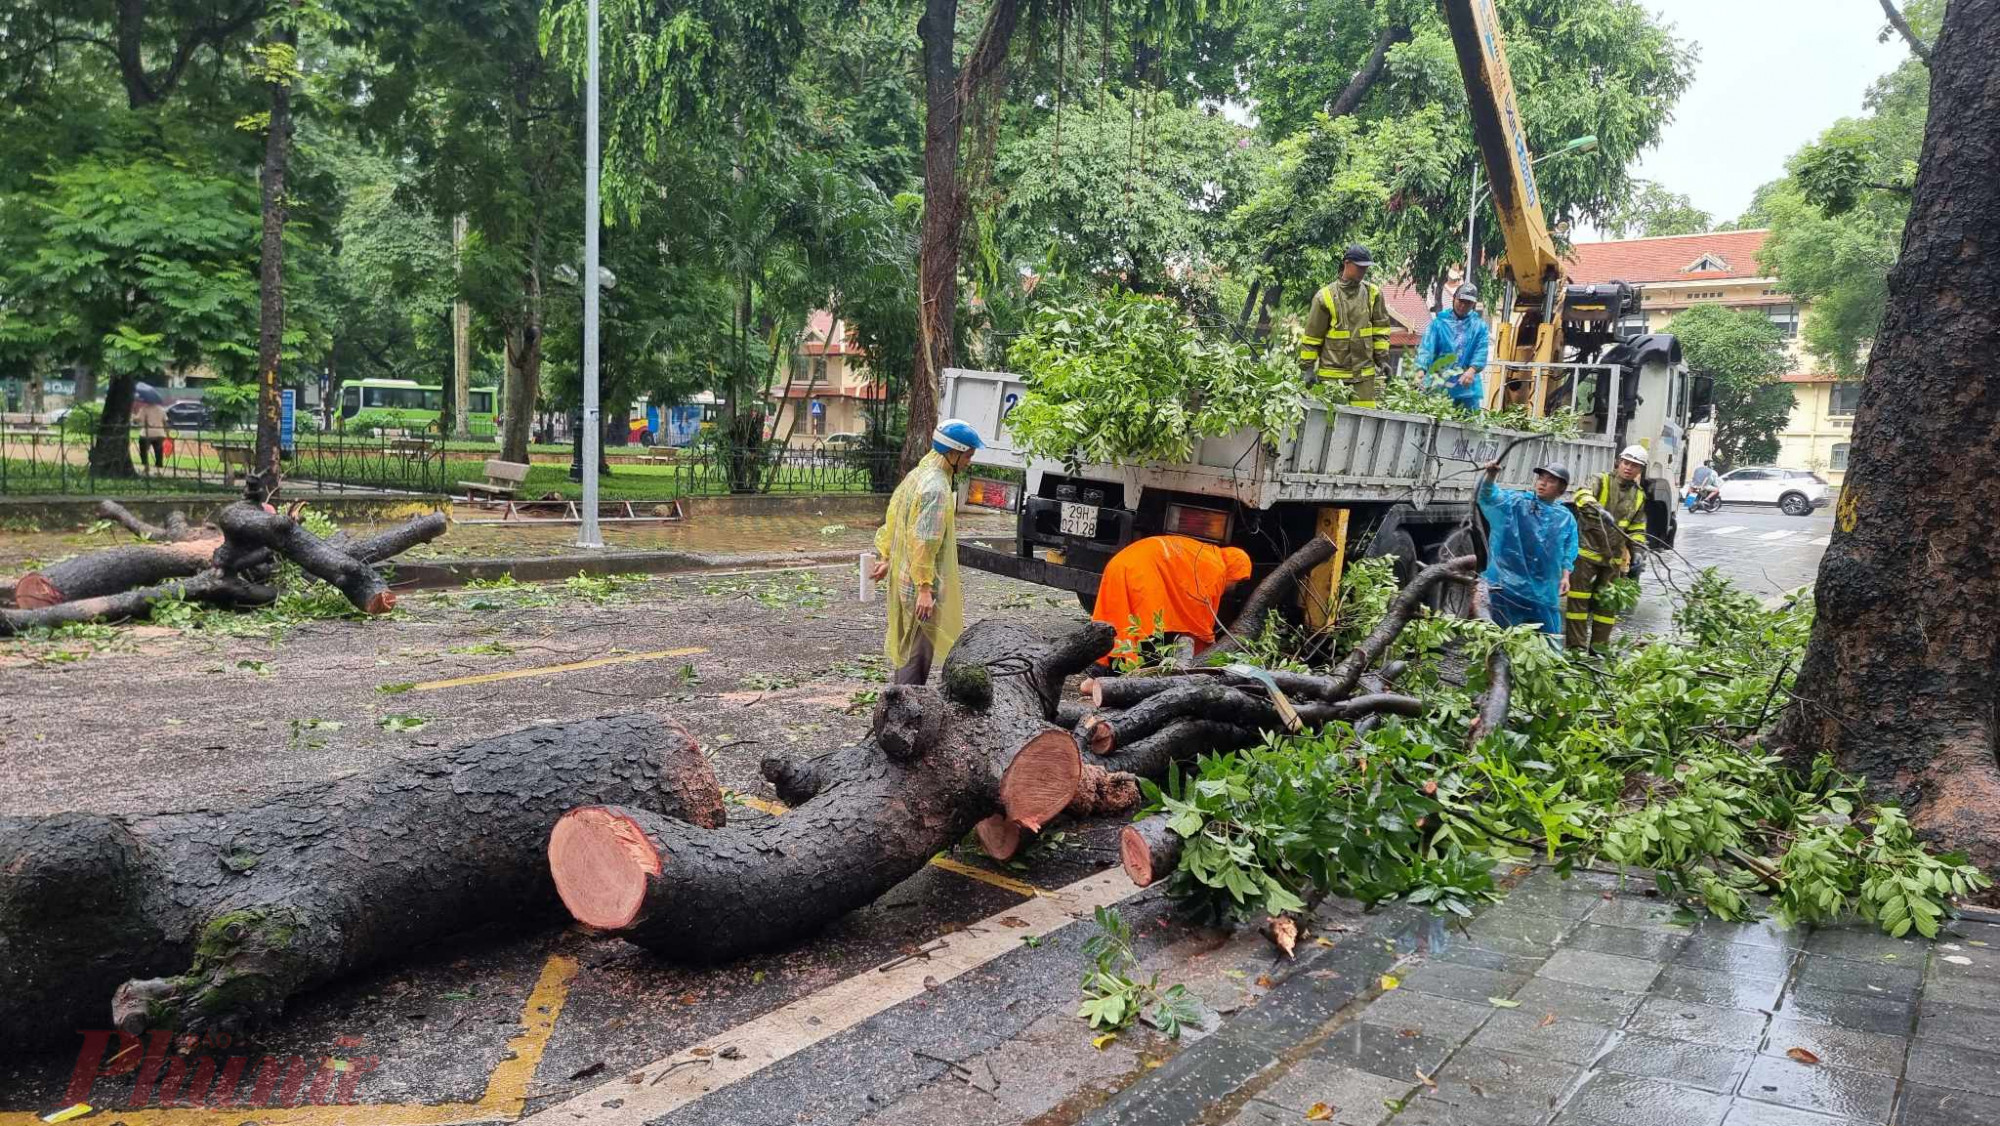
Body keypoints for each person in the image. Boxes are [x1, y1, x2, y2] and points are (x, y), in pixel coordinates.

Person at [869, 419, 982, 685]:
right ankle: (906, 712)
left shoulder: (919, 475)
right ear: (953, 453)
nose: (969, 461)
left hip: (904, 575)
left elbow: (895, 518)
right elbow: (925, 541)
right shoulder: (937, 489)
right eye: (968, 455)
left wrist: (887, 556)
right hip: (919, 584)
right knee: (917, 654)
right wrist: (924, 589)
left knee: (907, 645)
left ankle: (899, 702)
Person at [1091, 535, 1255, 664]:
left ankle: (1099, 673)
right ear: (1235, 570)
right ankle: (1117, 677)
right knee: (1146, 629)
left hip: (1121, 563)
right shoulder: (1217, 569)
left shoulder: (1207, 554)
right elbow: (1199, 619)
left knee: (1117, 622)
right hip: (1142, 570)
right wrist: (1209, 653)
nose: (1234, 587)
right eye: (1238, 581)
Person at [1477, 459, 1578, 639]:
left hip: (1544, 592)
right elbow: (1488, 496)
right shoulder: (1516, 504)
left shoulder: (1565, 518)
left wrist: (1565, 576)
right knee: (1501, 641)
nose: (1543, 483)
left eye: (1551, 480)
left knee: (1549, 643)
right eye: (1541, 478)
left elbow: (1568, 549)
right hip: (1507, 587)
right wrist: (1490, 475)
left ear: (1561, 489)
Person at [1567, 445, 1651, 651]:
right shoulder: (1600, 480)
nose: (1629, 468)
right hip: (1587, 553)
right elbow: (1581, 495)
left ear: (1641, 470)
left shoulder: (1639, 496)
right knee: (1578, 604)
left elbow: (1637, 528)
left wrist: (1638, 551)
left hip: (1613, 558)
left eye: (1635, 466)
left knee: (1608, 606)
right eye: (1626, 463)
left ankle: (1599, 649)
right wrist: (1598, 509)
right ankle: (1575, 649)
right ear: (1619, 462)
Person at [1299, 245, 1395, 408]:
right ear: (1347, 263)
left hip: (1363, 378)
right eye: (1360, 267)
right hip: (1332, 377)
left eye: (1366, 268)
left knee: (1364, 424)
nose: (1363, 272)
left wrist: (1383, 361)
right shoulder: (1325, 297)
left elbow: (1381, 332)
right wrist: (1307, 369)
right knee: (1329, 425)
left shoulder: (1373, 294)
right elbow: (1312, 337)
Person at [1415, 282, 1491, 411]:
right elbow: (1426, 348)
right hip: (1438, 385)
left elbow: (1481, 351)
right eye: (1460, 301)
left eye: (1468, 303)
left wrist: (1471, 371)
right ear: (1454, 298)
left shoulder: (1479, 327)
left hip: (1466, 389)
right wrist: (1420, 370)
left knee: (1467, 424)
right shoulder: (1439, 323)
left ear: (1473, 304)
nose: (1463, 305)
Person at [135, 398, 168, 471]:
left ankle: (146, 466)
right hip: (159, 433)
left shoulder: (144, 409)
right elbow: (165, 422)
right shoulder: (161, 409)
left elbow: (138, 419)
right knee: (158, 452)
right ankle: (159, 469)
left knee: (143, 450)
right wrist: (166, 432)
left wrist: (134, 417)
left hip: (147, 433)